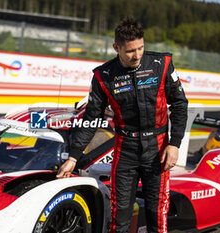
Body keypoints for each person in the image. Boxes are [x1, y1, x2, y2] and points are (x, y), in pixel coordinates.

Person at [56, 17, 188, 233]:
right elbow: (90, 119)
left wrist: (175, 144)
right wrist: (73, 157)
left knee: (157, 217)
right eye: (130, 51)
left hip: (158, 149)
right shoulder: (103, 76)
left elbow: (180, 104)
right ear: (116, 47)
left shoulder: (161, 64)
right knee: (119, 220)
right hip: (125, 149)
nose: (137, 55)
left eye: (141, 48)